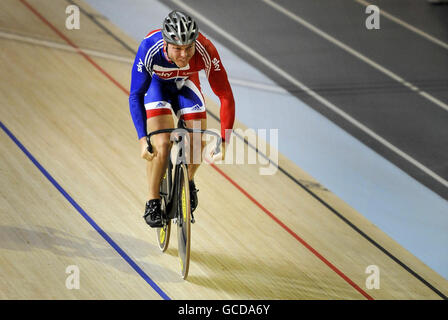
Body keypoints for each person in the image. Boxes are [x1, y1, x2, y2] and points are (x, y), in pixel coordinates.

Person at [129, 10, 235, 228]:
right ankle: (152, 200)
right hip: (157, 87)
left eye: (189, 48)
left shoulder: (206, 49)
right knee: (162, 144)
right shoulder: (150, 48)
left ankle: (188, 181)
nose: (184, 55)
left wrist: (225, 140)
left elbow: (225, 95)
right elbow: (136, 94)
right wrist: (142, 139)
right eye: (177, 48)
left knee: (198, 144)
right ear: (167, 44)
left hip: (186, 83)